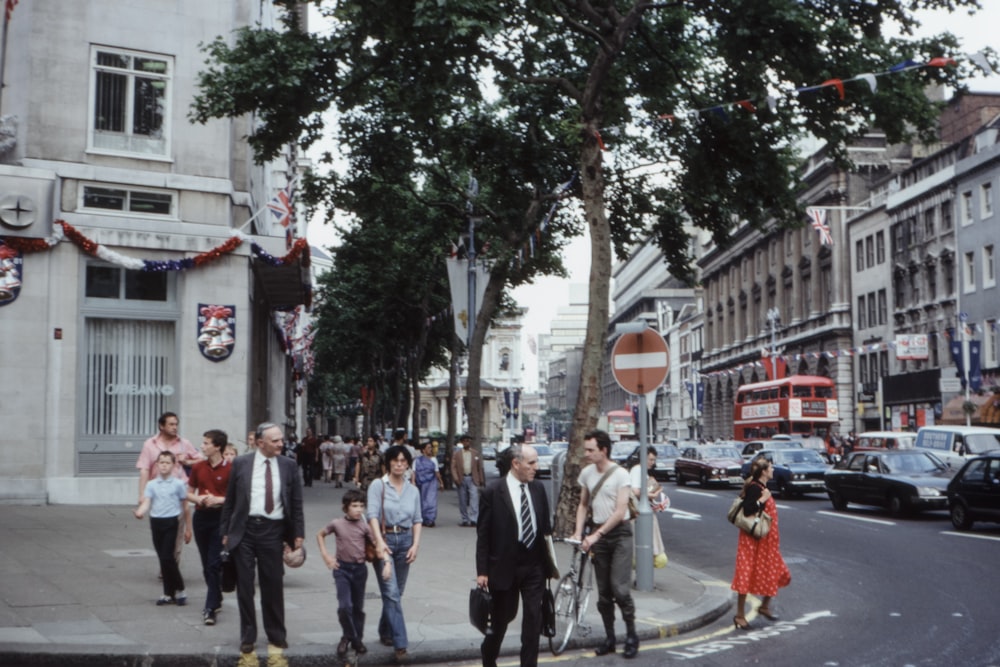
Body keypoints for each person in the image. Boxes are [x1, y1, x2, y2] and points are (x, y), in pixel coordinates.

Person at [220, 422, 305, 654]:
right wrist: (225, 533)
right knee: (245, 586)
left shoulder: (288, 465)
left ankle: (276, 634)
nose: (281, 443)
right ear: (260, 443)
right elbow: (230, 501)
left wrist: (298, 534)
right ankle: (248, 635)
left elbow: (296, 503)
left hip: (273, 531)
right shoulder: (241, 463)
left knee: (273, 584)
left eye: (281, 439)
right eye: (275, 440)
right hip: (245, 530)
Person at [476, 444, 552, 667]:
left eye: (536, 462)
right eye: (531, 463)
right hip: (504, 566)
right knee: (501, 620)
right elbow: (483, 535)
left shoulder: (538, 489)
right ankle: (488, 657)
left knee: (532, 620)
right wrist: (482, 571)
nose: (536, 468)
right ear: (515, 464)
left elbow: (544, 528)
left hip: (534, 566)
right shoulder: (493, 491)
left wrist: (549, 565)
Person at [571, 429, 639, 659]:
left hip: (619, 535)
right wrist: (579, 532)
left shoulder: (621, 475)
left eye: (591, 450)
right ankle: (610, 639)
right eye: (586, 449)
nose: (586, 453)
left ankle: (631, 635)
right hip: (597, 535)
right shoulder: (587, 474)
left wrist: (596, 535)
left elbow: (621, 512)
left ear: (604, 450)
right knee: (604, 594)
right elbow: (582, 505)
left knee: (620, 589)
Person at [317, 489, 391, 659]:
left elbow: (378, 544)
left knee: (357, 608)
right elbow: (320, 535)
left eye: (361, 506)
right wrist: (326, 556)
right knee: (345, 607)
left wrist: (387, 563)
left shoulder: (364, 527)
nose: (359, 510)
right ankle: (350, 637)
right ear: (345, 508)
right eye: (354, 506)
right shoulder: (336, 524)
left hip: (359, 570)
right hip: (341, 569)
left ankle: (353, 638)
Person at [367, 444, 423, 664]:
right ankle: (401, 644)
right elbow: (372, 516)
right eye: (395, 460)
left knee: (396, 592)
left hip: (406, 541)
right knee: (391, 592)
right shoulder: (377, 486)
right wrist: (380, 544)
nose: (399, 464)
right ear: (388, 462)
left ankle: (386, 631)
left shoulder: (413, 490)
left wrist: (415, 545)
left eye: (403, 461)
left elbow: (418, 519)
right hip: (385, 540)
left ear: (408, 463)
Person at [731, 455, 791, 630]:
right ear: (764, 471)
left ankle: (764, 606)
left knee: (778, 572)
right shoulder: (755, 488)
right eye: (770, 467)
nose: (773, 470)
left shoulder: (762, 487)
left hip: (766, 542)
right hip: (753, 541)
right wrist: (762, 500)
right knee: (746, 575)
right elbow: (749, 509)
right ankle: (740, 615)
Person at [135, 412, 199, 568]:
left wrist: (188, 460)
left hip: (178, 491)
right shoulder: (150, 444)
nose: (174, 427)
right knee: (160, 536)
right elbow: (144, 469)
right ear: (161, 426)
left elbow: (201, 460)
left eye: (176, 424)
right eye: (171, 424)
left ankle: (171, 568)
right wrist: (142, 495)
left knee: (176, 533)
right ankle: (166, 564)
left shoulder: (184, 443)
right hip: (157, 492)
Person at [186, 429, 232, 625]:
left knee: (214, 563)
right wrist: (200, 498)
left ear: (217, 447)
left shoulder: (231, 469)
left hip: (220, 518)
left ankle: (210, 607)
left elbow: (236, 497)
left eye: (206, 443)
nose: (202, 447)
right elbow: (188, 492)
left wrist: (218, 500)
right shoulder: (198, 467)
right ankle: (217, 597)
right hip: (201, 517)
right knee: (206, 564)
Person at [133, 451, 188, 606]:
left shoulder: (178, 484)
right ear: (156, 465)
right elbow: (147, 501)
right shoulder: (151, 484)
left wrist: (187, 526)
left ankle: (181, 589)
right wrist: (140, 512)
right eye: (161, 462)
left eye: (167, 462)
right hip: (156, 522)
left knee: (167, 557)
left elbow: (185, 504)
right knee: (162, 559)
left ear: (173, 465)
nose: (164, 465)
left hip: (171, 521)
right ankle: (167, 594)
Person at [629, 448, 669, 568]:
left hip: (642, 509)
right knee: (644, 542)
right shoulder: (638, 470)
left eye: (654, 460)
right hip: (639, 511)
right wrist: (651, 495)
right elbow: (635, 490)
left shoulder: (642, 471)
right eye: (651, 459)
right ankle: (643, 570)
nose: (653, 462)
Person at [451, 434, 485, 527]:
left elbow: (479, 467)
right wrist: (456, 478)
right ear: (462, 442)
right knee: (462, 499)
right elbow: (453, 467)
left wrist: (481, 479)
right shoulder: (457, 454)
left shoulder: (475, 453)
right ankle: (465, 519)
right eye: (465, 441)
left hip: (473, 478)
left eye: (468, 441)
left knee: (474, 498)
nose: (467, 442)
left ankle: (474, 519)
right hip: (462, 478)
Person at [413, 440, 443, 527]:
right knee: (422, 501)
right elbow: (414, 472)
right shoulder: (417, 461)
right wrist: (413, 482)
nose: (431, 449)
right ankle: (422, 518)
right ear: (423, 450)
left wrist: (441, 482)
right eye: (429, 448)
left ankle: (430, 519)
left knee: (431, 501)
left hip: (431, 483)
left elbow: (437, 472)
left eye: (431, 448)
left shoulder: (434, 460)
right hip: (420, 484)